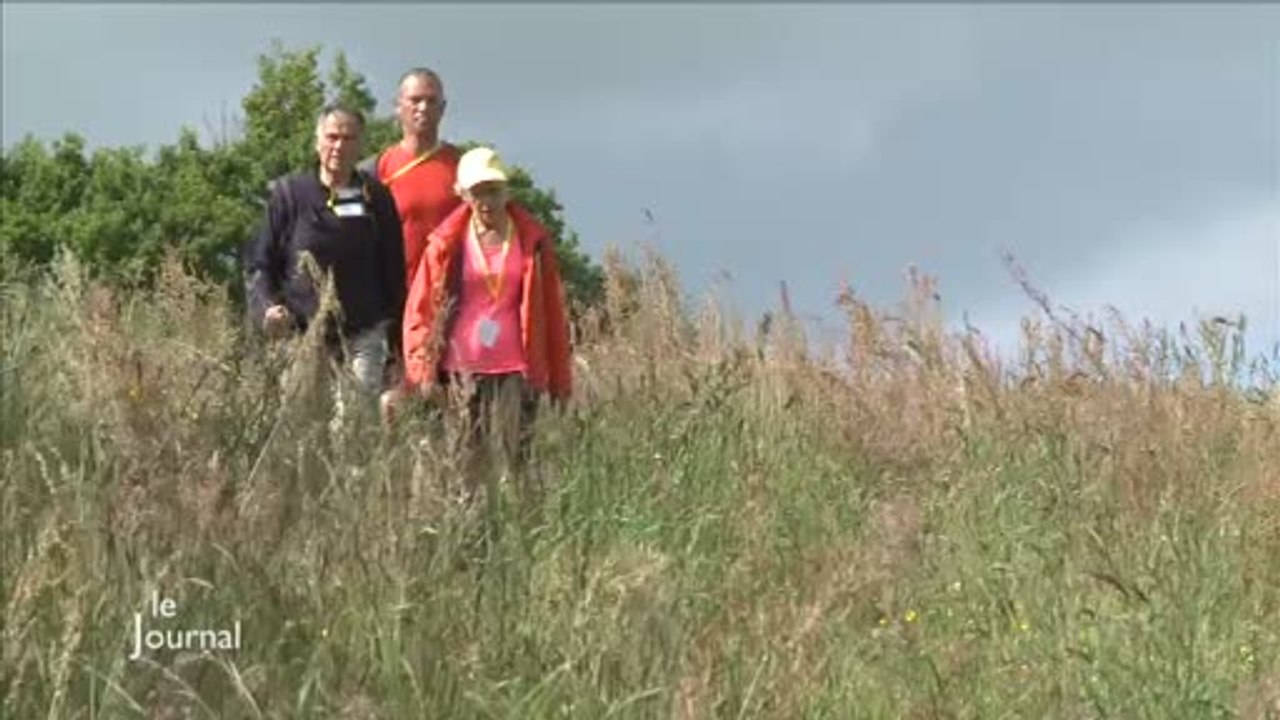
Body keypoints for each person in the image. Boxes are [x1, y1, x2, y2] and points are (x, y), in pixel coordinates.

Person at [392, 146, 573, 495]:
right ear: (462, 194)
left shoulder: (532, 241)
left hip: (515, 371)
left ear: (506, 191)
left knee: (515, 464)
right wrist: (423, 374)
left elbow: (551, 313)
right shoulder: (445, 243)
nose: (486, 201)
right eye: (477, 192)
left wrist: (560, 381)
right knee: (464, 466)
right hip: (459, 372)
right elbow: (419, 312)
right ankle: (472, 541)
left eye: (492, 190)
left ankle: (517, 537)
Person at [245, 103, 406, 395]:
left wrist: (396, 342)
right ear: (317, 141)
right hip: (302, 333)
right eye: (332, 137)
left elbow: (394, 269)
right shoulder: (290, 194)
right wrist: (267, 308)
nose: (339, 146)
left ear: (360, 145)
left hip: (363, 334)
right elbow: (262, 262)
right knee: (302, 428)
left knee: (354, 428)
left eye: (348, 138)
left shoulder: (376, 197)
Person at [358, 68, 462, 291]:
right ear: (398, 106)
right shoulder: (373, 171)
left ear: (442, 108)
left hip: (450, 296)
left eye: (431, 101)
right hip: (393, 297)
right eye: (415, 100)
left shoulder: (463, 167)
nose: (423, 108)